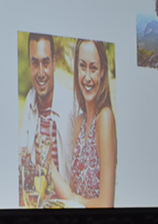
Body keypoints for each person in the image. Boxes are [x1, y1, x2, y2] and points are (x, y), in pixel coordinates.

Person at [49, 39, 116, 207]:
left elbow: (106, 204)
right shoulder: (79, 121)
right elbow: (71, 193)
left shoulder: (105, 117)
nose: (87, 77)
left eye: (93, 68)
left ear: (102, 71)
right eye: (82, 67)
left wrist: (76, 199)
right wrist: (48, 163)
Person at [19, 33, 74, 205]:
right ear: (30, 65)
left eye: (46, 63)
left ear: (54, 63)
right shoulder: (30, 100)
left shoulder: (71, 106)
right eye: (35, 64)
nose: (41, 73)